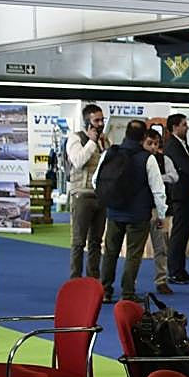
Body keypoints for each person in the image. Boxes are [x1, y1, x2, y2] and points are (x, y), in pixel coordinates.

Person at [95, 119, 167, 304]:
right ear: (144, 137)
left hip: (114, 211)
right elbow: (158, 190)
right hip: (138, 214)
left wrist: (109, 201)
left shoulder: (110, 153)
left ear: (125, 133)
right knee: (134, 254)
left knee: (110, 252)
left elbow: (96, 180)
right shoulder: (147, 158)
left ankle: (104, 291)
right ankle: (127, 293)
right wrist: (161, 214)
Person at [67, 103, 109, 280]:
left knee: (96, 243)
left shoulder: (105, 140)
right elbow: (78, 161)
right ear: (87, 122)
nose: (100, 124)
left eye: (102, 120)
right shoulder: (75, 138)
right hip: (82, 195)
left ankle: (93, 281)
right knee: (78, 242)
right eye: (96, 120)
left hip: (101, 196)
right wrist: (92, 142)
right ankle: (75, 280)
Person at [164, 114, 189, 283]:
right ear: (175, 127)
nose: (187, 127)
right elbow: (186, 166)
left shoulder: (181, 143)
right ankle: (174, 271)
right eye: (184, 124)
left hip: (186, 193)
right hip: (179, 194)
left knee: (184, 233)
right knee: (178, 233)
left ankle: (180, 269)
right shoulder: (173, 145)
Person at [143, 128, 177, 295]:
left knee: (161, 246)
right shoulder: (139, 159)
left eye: (156, 143)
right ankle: (130, 283)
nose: (153, 147)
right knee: (136, 248)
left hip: (159, 210)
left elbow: (174, 176)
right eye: (150, 143)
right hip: (141, 209)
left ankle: (161, 280)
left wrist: (157, 177)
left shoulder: (164, 159)